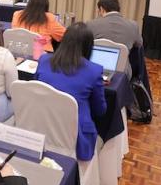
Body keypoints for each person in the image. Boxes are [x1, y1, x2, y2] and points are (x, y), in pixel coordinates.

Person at [34, 23, 107, 161]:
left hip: (42, 126)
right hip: (76, 136)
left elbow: (36, 88)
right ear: (88, 46)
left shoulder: (44, 60)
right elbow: (100, 110)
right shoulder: (94, 71)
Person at [86, 0, 143, 78]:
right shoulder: (133, 25)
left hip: (93, 71)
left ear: (101, 9)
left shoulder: (91, 24)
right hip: (122, 74)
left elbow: (84, 46)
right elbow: (139, 45)